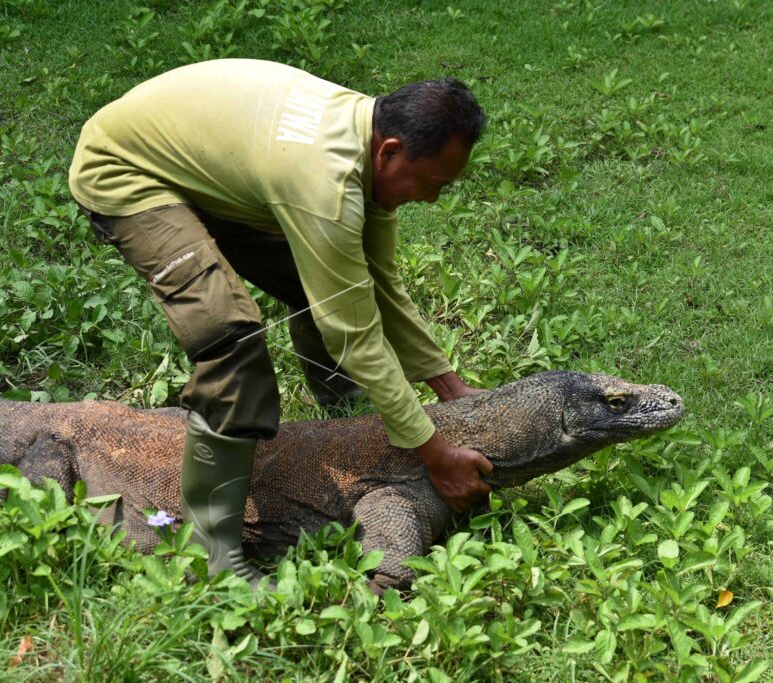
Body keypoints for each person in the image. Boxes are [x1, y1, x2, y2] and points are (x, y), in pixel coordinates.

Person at [68, 59, 493, 582]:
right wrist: (434, 454)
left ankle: (347, 420)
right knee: (231, 340)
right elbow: (353, 334)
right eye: (432, 183)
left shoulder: (368, 138)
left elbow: (378, 283)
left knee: (330, 283)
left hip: (202, 166)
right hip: (125, 170)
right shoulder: (325, 181)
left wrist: (448, 385)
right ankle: (212, 557)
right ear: (390, 151)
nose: (430, 198)